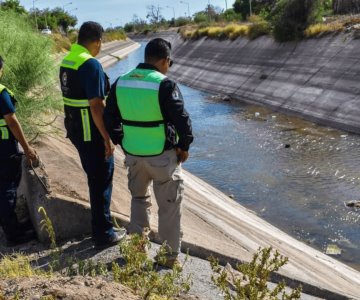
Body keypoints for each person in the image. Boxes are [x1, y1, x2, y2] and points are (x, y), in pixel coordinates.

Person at [104, 38, 194, 267]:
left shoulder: (120, 83)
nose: (169, 67)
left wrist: (123, 141)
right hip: (162, 157)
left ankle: (137, 248)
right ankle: (168, 257)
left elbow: (109, 118)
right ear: (165, 60)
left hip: (133, 155)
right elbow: (182, 120)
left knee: (138, 199)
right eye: (169, 63)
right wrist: (184, 146)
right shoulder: (164, 85)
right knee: (169, 207)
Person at [59, 21, 125, 249]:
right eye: (101, 43)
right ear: (97, 41)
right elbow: (96, 106)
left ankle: (100, 225)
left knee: (94, 180)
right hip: (91, 133)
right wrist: (107, 139)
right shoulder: (91, 65)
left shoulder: (68, 60)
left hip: (76, 131)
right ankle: (104, 234)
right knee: (101, 181)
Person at [0, 55, 37, 246]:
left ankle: (9, 226)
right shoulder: (1, 92)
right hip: (4, 149)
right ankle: (13, 235)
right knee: (7, 189)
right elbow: (12, 122)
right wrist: (27, 147)